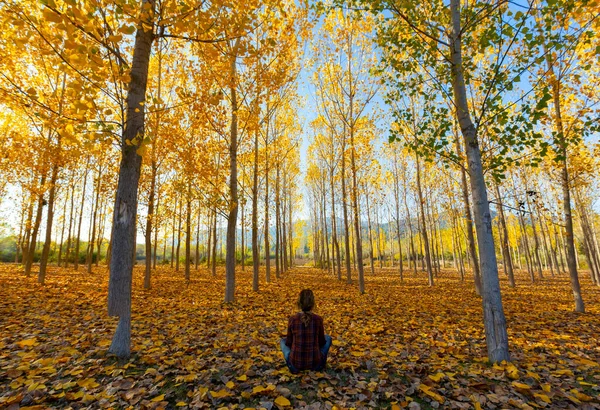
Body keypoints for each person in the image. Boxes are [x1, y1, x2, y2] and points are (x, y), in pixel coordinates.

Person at [280, 289, 332, 373]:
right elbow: (322, 342)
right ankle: (322, 363)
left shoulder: (293, 319)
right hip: (316, 366)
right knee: (328, 338)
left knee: (282, 341)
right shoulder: (318, 319)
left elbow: (289, 342)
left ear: (299, 303)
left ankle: (293, 361)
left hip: (295, 366)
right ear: (313, 304)